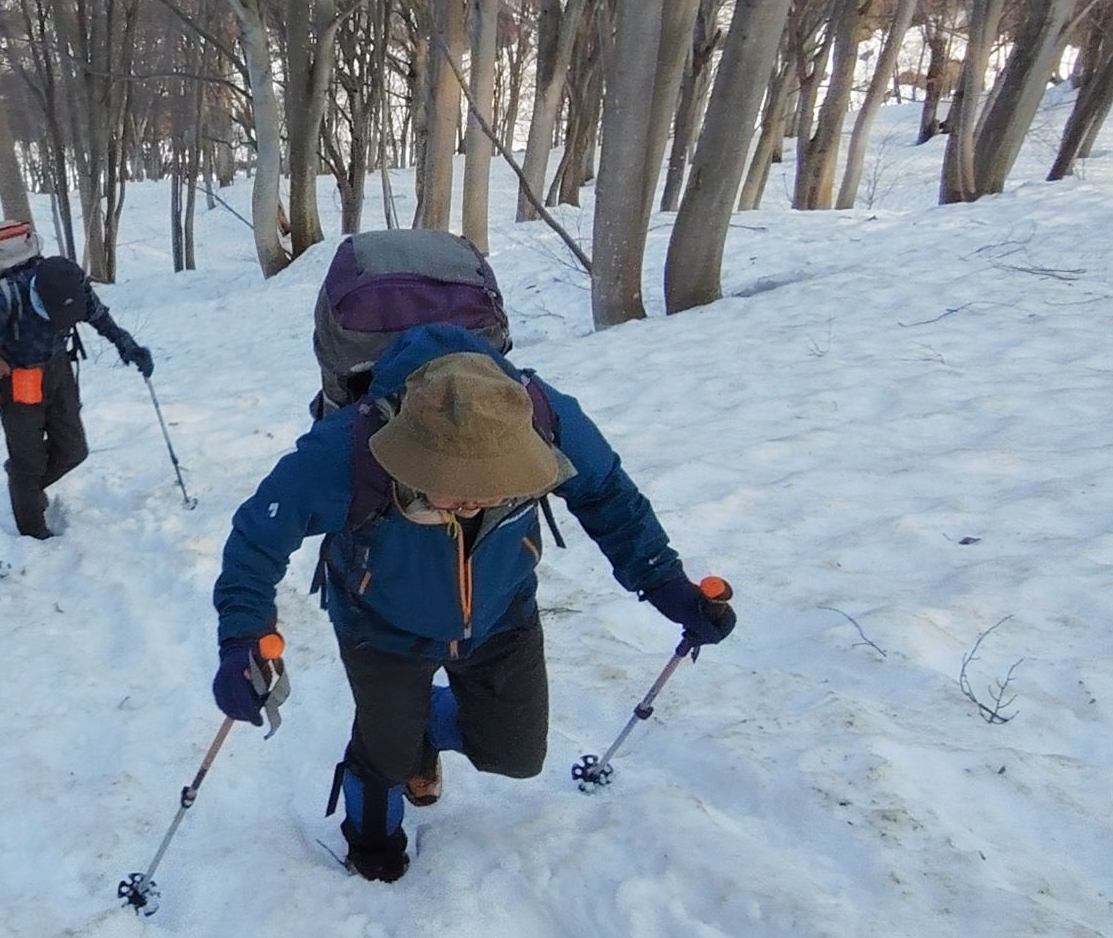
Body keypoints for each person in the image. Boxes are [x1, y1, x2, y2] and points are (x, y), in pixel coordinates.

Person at [208, 321, 735, 882]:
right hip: (380, 623)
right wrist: (242, 637)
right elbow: (257, 539)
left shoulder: (548, 419)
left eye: (494, 487)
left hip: (501, 612)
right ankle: (382, 786)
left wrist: (667, 585)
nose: (471, 505)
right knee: (386, 761)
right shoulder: (345, 450)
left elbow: (611, 498)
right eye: (453, 490)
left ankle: (420, 726)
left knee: (517, 754)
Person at [0, 222, 153, 539]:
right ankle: (33, 533)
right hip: (17, 378)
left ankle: (22, 483)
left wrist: (128, 346)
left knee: (74, 450)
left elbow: (100, 317)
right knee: (28, 463)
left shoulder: (71, 283)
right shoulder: (5, 298)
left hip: (58, 369)